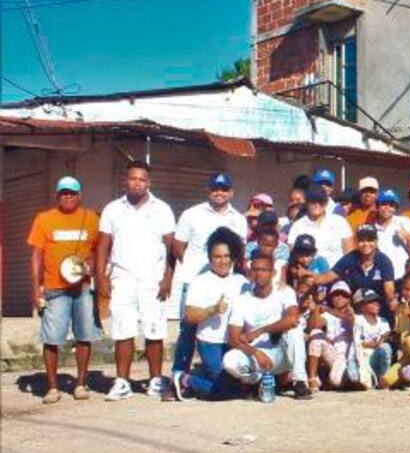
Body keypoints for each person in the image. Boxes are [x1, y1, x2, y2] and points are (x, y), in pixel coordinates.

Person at [95, 160, 177, 401]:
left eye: (142, 179)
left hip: (154, 279)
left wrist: (168, 279)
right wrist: (101, 277)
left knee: (154, 330)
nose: (137, 183)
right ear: (126, 180)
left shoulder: (162, 209)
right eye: (133, 178)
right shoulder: (112, 209)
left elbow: (171, 248)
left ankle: (155, 381)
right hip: (122, 278)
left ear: (149, 182)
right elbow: (102, 246)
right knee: (123, 330)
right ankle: (122, 382)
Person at [28, 175, 101, 404]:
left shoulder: (91, 218)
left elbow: (98, 250)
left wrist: (92, 266)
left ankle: (80, 384)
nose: (68, 197)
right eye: (63, 193)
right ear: (57, 196)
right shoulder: (44, 219)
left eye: (72, 193)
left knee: (84, 336)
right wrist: (35, 289)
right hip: (54, 288)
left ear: (79, 196)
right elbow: (36, 255)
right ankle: (52, 388)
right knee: (51, 338)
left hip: (83, 287)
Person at [172, 172, 249, 388]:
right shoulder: (191, 214)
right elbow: (178, 246)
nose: (219, 192)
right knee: (187, 332)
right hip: (196, 283)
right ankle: (177, 376)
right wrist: (195, 270)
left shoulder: (238, 219)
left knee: (224, 328)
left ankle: (214, 372)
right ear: (209, 190)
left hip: (226, 282)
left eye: (224, 189)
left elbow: (239, 251)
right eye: (215, 188)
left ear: (231, 192)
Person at [170, 228, 249, 401]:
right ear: (209, 258)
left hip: (234, 344)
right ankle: (185, 379)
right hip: (210, 343)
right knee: (226, 391)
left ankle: (203, 375)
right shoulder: (200, 281)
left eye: (226, 256)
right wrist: (212, 310)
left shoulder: (242, 282)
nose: (223, 261)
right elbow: (190, 316)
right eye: (217, 257)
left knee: (245, 385)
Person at [224, 252, 305, 398]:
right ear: (250, 273)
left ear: (273, 273)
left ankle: (299, 381)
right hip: (257, 355)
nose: (259, 274)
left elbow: (293, 319)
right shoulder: (241, 301)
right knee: (229, 361)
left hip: (281, 351)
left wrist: (261, 330)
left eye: (264, 270)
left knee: (295, 330)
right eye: (255, 270)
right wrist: (255, 352)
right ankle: (257, 382)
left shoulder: (285, 292)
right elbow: (233, 339)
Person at [331, 224, 398, 317]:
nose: (366, 244)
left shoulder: (384, 261)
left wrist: (392, 299)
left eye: (370, 240)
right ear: (356, 242)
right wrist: (311, 276)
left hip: (378, 310)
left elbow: (389, 288)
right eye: (361, 240)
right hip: (356, 308)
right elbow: (327, 276)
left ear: (376, 241)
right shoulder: (350, 257)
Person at [304, 281, 360, 391]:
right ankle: (313, 379)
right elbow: (313, 326)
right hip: (332, 353)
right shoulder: (326, 314)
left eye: (343, 295)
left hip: (346, 358)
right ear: (331, 298)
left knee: (336, 381)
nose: (339, 298)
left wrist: (328, 309)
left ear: (349, 299)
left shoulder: (353, 314)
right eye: (336, 295)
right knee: (316, 334)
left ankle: (326, 379)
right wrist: (316, 307)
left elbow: (349, 319)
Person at [288, 184, 353, 268]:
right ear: (306, 203)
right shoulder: (297, 226)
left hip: (338, 273)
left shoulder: (340, 222)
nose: (317, 204)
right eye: (313, 201)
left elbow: (349, 253)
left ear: (326, 203)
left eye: (320, 201)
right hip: (308, 273)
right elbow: (293, 257)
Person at [353, 289, 392, 389]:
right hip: (363, 356)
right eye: (371, 302)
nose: (376, 304)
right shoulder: (357, 320)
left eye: (377, 301)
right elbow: (357, 343)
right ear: (361, 306)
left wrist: (383, 339)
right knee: (364, 384)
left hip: (376, 357)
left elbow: (385, 335)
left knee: (386, 347)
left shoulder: (382, 321)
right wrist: (373, 345)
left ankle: (383, 378)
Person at [372, 188, 410, 274]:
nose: (387, 208)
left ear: (396, 208)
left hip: (402, 274)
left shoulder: (404, 222)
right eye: (384, 204)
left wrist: (408, 237)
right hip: (381, 274)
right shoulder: (372, 227)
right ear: (377, 206)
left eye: (392, 205)